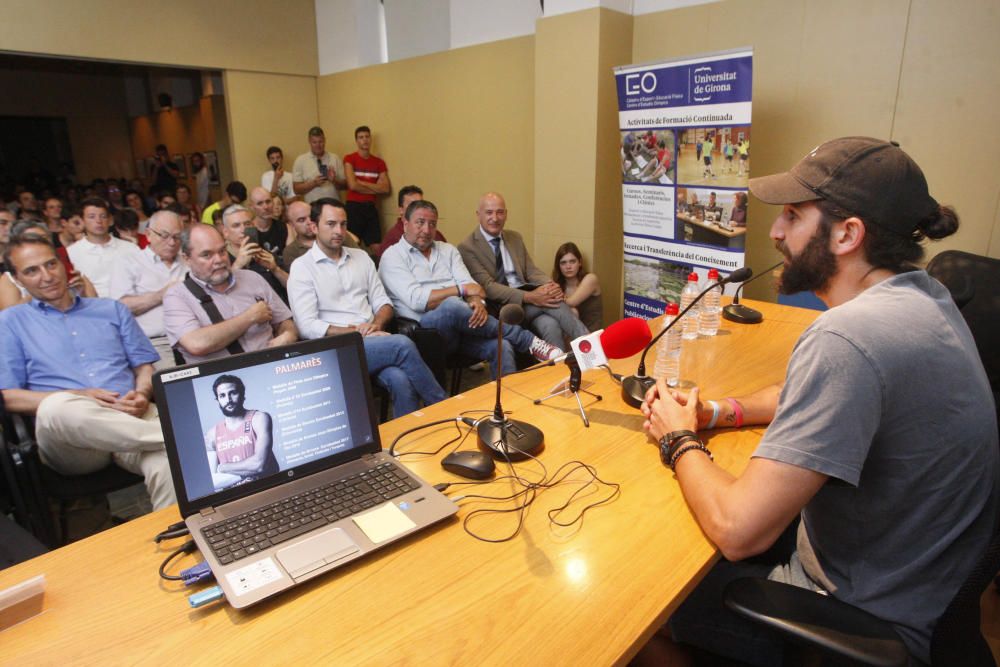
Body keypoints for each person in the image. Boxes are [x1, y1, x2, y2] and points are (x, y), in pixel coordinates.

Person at [636, 137, 998, 666]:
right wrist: (716, 413)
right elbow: (798, 398)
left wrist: (677, 436)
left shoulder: (849, 337)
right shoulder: (925, 298)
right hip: (917, 589)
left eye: (792, 216)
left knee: (636, 612)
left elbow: (739, 530)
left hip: (858, 616)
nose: (775, 232)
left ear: (849, 233)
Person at [0, 234, 175, 509]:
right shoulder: (10, 322)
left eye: (50, 264)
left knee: (167, 463)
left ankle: (176, 541)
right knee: (55, 407)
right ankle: (180, 437)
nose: (46, 276)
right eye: (32, 271)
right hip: (72, 441)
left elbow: (144, 367)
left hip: (130, 415)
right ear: (18, 279)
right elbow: (7, 396)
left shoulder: (111, 309)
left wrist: (141, 393)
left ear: (63, 264)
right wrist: (81, 396)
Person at [286, 198, 446, 418]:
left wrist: (374, 325)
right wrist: (356, 332)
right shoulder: (302, 267)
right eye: (331, 224)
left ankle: (408, 444)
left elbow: (384, 303)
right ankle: (444, 407)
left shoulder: (361, 258)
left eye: (343, 224)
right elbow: (306, 326)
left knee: (400, 380)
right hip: (335, 349)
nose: (339, 230)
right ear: (314, 227)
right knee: (401, 344)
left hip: (372, 339)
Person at [379, 200, 561, 377]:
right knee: (451, 304)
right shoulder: (392, 256)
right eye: (420, 223)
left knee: (502, 346)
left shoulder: (447, 250)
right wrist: (461, 290)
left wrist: (477, 303)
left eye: (432, 224)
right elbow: (418, 300)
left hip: (464, 327)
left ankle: (509, 403)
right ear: (405, 223)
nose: (427, 230)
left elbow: (474, 288)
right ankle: (527, 340)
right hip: (425, 334)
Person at [458, 192, 586, 349]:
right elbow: (488, 287)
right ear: (478, 215)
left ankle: (557, 371)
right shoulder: (467, 247)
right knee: (556, 303)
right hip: (503, 307)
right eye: (489, 212)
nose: (495, 218)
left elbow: (531, 271)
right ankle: (593, 349)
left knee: (550, 325)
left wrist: (550, 285)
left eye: (500, 212)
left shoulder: (515, 238)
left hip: (529, 299)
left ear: (506, 214)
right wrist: (530, 297)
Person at [163, 223, 297, 364]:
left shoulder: (252, 278)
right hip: (222, 379)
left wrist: (288, 334)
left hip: (271, 366)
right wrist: (249, 317)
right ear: (187, 259)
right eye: (207, 255)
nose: (219, 260)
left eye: (222, 251)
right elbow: (196, 344)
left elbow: (284, 321)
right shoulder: (177, 296)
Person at [109, 210, 188, 369]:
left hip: (192, 338)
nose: (172, 242)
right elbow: (120, 307)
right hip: (153, 343)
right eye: (164, 235)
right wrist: (163, 294)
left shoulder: (188, 261)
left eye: (177, 237)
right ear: (148, 234)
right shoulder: (130, 262)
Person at [205, 374, 277, 491]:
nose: (228, 400)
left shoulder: (259, 418)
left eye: (233, 393)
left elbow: (259, 465)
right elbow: (212, 481)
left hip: (267, 490)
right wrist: (246, 473)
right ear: (217, 401)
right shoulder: (212, 435)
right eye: (222, 396)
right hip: (235, 498)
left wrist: (223, 467)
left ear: (242, 395)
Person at [67, 197, 141, 297]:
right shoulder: (71, 252)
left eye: (103, 216)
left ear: (110, 220)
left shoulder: (130, 248)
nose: (98, 221)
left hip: (130, 305)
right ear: (82, 221)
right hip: (93, 307)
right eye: (91, 217)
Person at [218, 204, 288, 303]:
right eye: (236, 225)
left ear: (254, 227)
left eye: (247, 224)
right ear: (225, 232)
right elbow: (220, 296)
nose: (243, 230)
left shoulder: (264, 252)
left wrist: (275, 269)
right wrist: (238, 265)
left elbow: (293, 287)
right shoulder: (220, 259)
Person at [343, 125, 391, 248]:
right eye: (361, 137)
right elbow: (352, 185)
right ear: (356, 140)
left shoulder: (379, 162)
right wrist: (375, 188)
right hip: (354, 207)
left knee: (376, 245)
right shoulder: (350, 159)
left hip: (370, 208)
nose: (364, 140)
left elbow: (385, 188)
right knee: (353, 244)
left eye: (367, 137)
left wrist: (363, 183)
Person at [375, 185, 447, 259]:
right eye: (412, 205)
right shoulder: (393, 239)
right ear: (401, 210)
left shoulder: (435, 234)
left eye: (421, 204)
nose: (419, 209)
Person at [552, 242, 602, 333]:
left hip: (590, 335)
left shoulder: (590, 279)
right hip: (567, 335)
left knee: (572, 311)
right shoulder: (558, 284)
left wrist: (551, 297)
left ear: (580, 262)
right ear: (558, 266)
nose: (568, 266)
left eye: (572, 261)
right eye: (563, 263)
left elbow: (571, 302)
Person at [292, 126, 346, 203]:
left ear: (325, 140)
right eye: (314, 142)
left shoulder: (335, 158)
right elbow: (296, 190)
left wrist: (334, 180)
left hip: (334, 207)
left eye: (320, 141)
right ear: (309, 142)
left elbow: (345, 186)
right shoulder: (300, 160)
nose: (318, 145)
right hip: (313, 209)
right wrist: (314, 183)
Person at [248, 187, 287, 258]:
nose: (266, 207)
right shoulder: (248, 231)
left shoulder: (285, 228)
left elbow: (292, 260)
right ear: (252, 207)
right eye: (260, 203)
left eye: (268, 201)